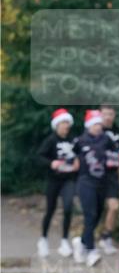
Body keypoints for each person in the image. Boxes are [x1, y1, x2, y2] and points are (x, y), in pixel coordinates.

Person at [72, 110, 115, 266]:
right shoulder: (80, 140)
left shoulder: (106, 139)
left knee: (96, 216)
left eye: (99, 124)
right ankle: (91, 251)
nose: (98, 127)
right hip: (85, 182)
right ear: (89, 125)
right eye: (95, 124)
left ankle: (81, 242)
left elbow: (115, 153)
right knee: (89, 215)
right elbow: (71, 157)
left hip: (101, 182)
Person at [36, 108, 79, 257]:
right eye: (63, 123)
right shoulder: (51, 140)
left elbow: (81, 154)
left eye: (67, 122)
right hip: (54, 180)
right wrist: (51, 163)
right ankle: (43, 239)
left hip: (69, 179)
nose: (66, 125)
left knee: (68, 208)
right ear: (57, 125)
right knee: (50, 210)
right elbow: (39, 157)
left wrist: (78, 162)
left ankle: (64, 241)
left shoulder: (74, 139)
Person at [98, 105, 119, 255]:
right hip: (96, 175)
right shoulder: (95, 129)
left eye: (111, 114)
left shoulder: (117, 131)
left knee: (114, 207)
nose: (108, 117)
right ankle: (86, 242)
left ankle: (106, 236)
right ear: (100, 115)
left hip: (112, 175)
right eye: (105, 114)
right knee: (96, 210)